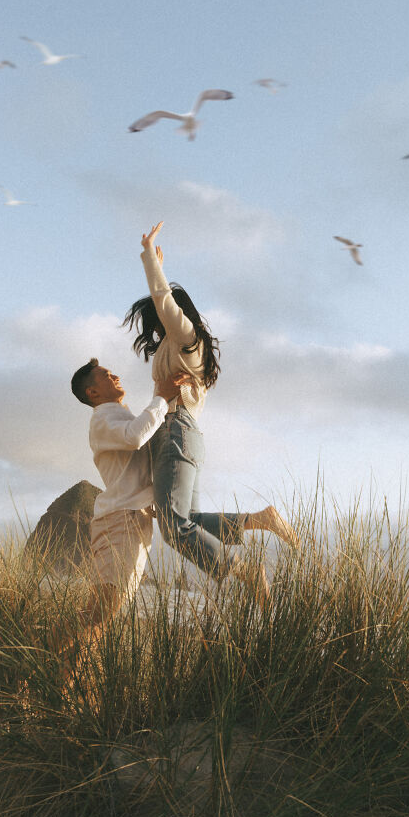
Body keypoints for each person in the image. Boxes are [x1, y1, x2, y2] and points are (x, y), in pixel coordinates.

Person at [123, 220, 298, 596]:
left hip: (176, 432)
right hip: (177, 435)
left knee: (173, 529)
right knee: (189, 520)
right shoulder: (176, 347)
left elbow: (163, 299)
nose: (155, 326)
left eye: (160, 318)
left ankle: (244, 569)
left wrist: (149, 258)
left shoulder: (187, 338)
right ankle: (259, 519)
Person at [70, 357, 188, 639]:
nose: (115, 376)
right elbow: (136, 437)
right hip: (121, 522)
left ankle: (62, 680)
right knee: (101, 613)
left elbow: (138, 465)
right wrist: (161, 396)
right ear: (93, 393)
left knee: (100, 615)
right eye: (106, 375)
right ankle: (26, 666)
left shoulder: (118, 415)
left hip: (128, 521)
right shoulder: (102, 419)